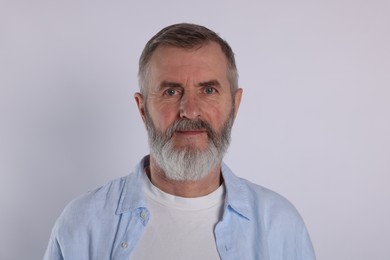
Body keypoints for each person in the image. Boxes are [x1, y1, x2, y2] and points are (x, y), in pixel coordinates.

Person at [44, 23, 316, 260]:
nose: (190, 109)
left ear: (235, 104)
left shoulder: (280, 225)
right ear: (142, 108)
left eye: (208, 90)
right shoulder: (83, 222)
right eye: (171, 91)